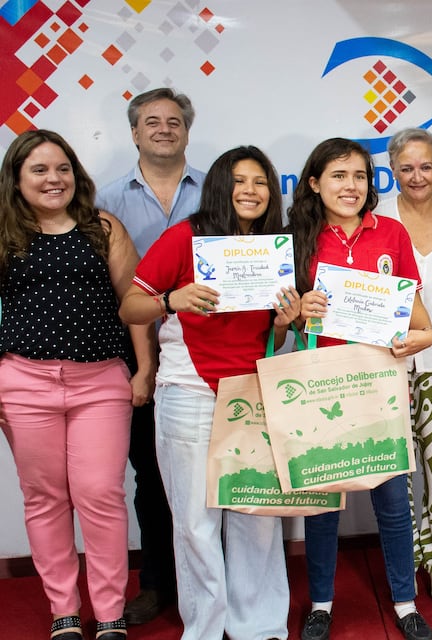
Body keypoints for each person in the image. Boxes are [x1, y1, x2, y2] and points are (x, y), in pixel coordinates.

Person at [118, 146, 300, 640]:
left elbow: (271, 335)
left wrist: (283, 323)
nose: (250, 191)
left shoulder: (272, 248)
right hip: (189, 391)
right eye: (239, 180)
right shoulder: (185, 237)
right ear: (220, 185)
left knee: (255, 515)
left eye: (260, 182)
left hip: (250, 393)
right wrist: (169, 300)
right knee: (195, 521)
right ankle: (205, 628)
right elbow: (130, 307)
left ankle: (259, 627)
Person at [290, 138, 432, 640]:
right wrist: (297, 311)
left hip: (380, 387)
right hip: (321, 388)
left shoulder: (391, 232)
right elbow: (278, 320)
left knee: (393, 504)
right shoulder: (297, 238)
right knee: (323, 508)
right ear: (314, 183)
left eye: (359, 176)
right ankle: (321, 604)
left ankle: (405, 603)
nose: (351, 186)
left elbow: (423, 324)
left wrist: (417, 339)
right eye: (338, 175)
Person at [0, 130, 143, 640]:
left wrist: (144, 368)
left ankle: (109, 612)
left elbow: (134, 303)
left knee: (100, 494)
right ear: (17, 179)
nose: (53, 179)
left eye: (62, 168)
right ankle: (64, 610)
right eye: (39, 170)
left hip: (99, 381)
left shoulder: (102, 228)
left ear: (75, 174)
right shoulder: (4, 233)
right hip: (23, 384)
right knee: (44, 498)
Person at [96, 87, 205, 625]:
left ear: (187, 130)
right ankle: (159, 582)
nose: (164, 128)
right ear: (135, 132)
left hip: (208, 349)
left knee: (212, 473)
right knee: (150, 473)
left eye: (174, 121)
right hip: (136, 350)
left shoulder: (217, 191)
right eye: (152, 121)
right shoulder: (104, 201)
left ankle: (213, 583)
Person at [375, 128, 432, 604]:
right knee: (398, 471)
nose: (416, 176)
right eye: (406, 168)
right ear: (392, 170)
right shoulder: (375, 219)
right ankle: (405, 556)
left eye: (425, 166)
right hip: (387, 367)